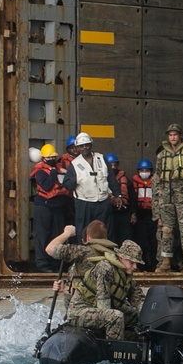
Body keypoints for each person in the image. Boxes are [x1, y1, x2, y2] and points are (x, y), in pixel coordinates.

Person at [47, 225, 145, 340]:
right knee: (115, 317)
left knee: (135, 316)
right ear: (120, 257)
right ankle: (111, 348)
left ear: (88, 237)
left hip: (100, 311)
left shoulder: (125, 274)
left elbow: (138, 298)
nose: (135, 267)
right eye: (131, 262)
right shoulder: (105, 267)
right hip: (81, 311)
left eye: (136, 263)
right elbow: (103, 303)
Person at [153, 123, 183, 273]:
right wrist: (159, 193)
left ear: (180, 136)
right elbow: (157, 176)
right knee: (166, 230)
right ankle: (165, 262)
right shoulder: (162, 155)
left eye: (175, 134)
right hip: (166, 198)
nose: (173, 137)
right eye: (171, 135)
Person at [62, 132, 113, 241]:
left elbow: (111, 178)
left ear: (91, 145)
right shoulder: (75, 164)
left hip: (102, 201)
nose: (84, 148)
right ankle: (84, 250)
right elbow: (67, 184)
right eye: (81, 146)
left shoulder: (101, 159)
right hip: (84, 203)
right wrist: (74, 181)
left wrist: (118, 195)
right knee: (83, 231)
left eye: (87, 145)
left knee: (103, 230)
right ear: (78, 147)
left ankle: (102, 250)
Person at [30, 143, 66, 271]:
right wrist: (54, 173)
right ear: (43, 158)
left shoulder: (59, 170)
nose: (52, 160)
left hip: (57, 207)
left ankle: (55, 263)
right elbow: (47, 186)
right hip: (43, 207)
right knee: (42, 235)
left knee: (56, 235)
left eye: (53, 157)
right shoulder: (41, 172)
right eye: (49, 158)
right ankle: (42, 264)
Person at [131, 159, 158, 271]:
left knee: (153, 242)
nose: (144, 172)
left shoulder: (155, 182)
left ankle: (153, 265)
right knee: (141, 242)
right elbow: (132, 199)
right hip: (140, 214)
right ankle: (141, 265)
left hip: (152, 214)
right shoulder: (134, 183)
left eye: (147, 170)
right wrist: (133, 213)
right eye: (142, 170)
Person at [104, 153, 132, 244]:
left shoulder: (125, 179)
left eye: (115, 165)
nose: (113, 167)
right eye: (110, 165)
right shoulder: (101, 179)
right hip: (109, 212)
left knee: (125, 237)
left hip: (123, 212)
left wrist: (133, 212)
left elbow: (132, 196)